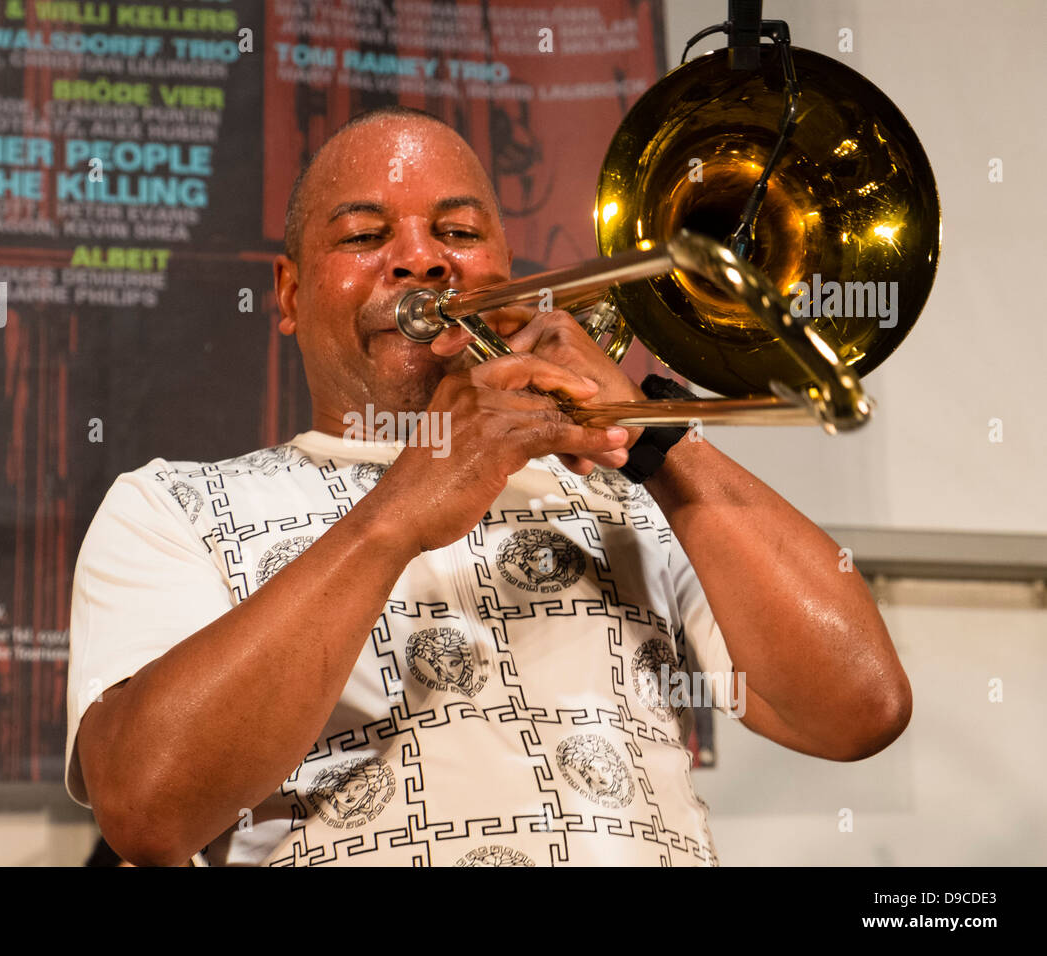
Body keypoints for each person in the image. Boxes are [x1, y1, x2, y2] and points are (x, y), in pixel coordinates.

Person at [64, 105, 912, 867]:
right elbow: (147, 808)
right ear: (288, 294)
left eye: (458, 234)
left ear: (505, 268)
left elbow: (858, 709)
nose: (420, 259)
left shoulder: (635, 497)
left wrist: (653, 440)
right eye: (364, 237)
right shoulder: (172, 505)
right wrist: (401, 509)